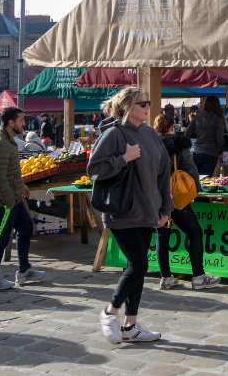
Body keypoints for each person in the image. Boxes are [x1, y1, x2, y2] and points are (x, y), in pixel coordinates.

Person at [88, 88, 175, 343]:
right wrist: (123, 158)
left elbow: (163, 173)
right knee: (139, 265)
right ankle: (110, 311)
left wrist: (165, 208)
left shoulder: (149, 133)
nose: (148, 106)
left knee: (135, 268)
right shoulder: (114, 133)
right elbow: (93, 169)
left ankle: (131, 325)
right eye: (142, 103)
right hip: (122, 210)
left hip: (148, 211)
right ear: (127, 107)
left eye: (149, 102)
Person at [152, 113, 218, 290]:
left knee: (162, 236)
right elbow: (191, 170)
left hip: (156, 198)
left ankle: (165, 277)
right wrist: (197, 190)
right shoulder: (179, 145)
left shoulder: (151, 146)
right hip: (175, 198)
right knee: (195, 233)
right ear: (173, 127)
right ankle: (198, 276)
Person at [0, 106, 44, 292]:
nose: (23, 124)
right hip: (5, 200)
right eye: (20, 120)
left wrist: (21, 185)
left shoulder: (7, 139)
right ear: (11, 123)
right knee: (1, 237)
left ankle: (24, 270)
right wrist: (9, 201)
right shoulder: (1, 143)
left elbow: (10, 171)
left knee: (26, 227)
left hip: (13, 196)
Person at [188, 96, 226, 178]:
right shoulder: (218, 120)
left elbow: (187, 133)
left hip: (197, 151)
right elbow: (220, 141)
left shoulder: (197, 117)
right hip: (210, 153)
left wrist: (198, 134)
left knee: (194, 180)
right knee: (205, 181)